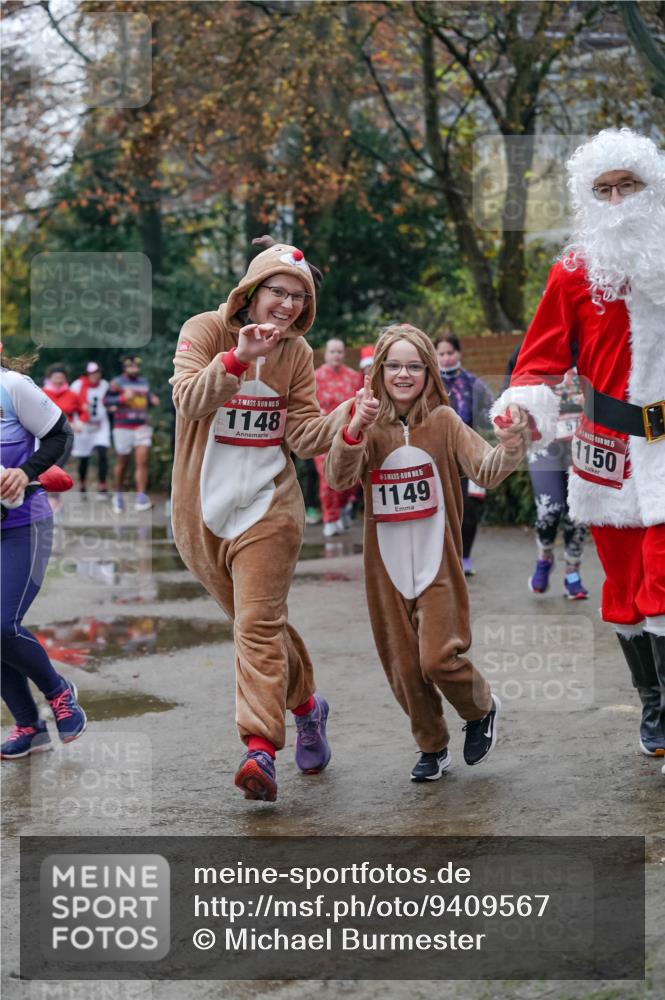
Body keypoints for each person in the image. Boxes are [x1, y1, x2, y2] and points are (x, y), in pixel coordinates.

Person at [491, 128, 665, 766]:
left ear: (653, 188)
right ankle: (651, 699)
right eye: (605, 189)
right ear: (589, 199)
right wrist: (518, 412)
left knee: (662, 575)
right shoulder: (571, 273)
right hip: (609, 451)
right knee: (623, 588)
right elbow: (536, 363)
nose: (618, 198)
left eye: (629, 185)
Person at [170, 236, 351, 802]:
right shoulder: (204, 331)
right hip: (201, 512)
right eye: (281, 291)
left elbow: (300, 431)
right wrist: (238, 357)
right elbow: (187, 400)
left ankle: (259, 750)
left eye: (300, 296)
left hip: (270, 507)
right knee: (258, 626)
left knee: (255, 627)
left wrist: (348, 420)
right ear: (251, 292)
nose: (291, 304)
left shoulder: (297, 354)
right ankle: (306, 706)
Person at [325, 324, 529, 781]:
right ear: (379, 371)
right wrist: (354, 428)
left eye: (414, 366)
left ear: (428, 372)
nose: (403, 374)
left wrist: (512, 445)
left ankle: (480, 709)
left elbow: (487, 469)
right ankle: (432, 747)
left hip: (438, 561)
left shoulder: (444, 422)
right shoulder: (365, 424)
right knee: (403, 667)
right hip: (385, 569)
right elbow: (338, 478)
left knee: (437, 658)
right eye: (394, 365)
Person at [1, 348, 87, 759]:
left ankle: (59, 692)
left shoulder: (13, 388)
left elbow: (60, 436)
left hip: (23, 526)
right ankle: (29, 727)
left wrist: (25, 472)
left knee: (2, 625)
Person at [435, 334, 495, 576]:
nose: (446, 358)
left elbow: (489, 416)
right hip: (436, 455)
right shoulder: (429, 381)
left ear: (458, 353)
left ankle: (465, 556)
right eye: (441, 354)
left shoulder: (473, 383)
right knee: (438, 510)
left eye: (450, 353)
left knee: (468, 510)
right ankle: (441, 560)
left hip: (467, 455)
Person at [314, 338, 359, 537]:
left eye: (340, 352)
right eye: (332, 351)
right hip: (324, 435)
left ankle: (342, 507)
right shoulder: (315, 377)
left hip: (348, 434)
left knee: (350, 478)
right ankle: (330, 519)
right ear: (326, 354)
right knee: (327, 476)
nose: (336, 355)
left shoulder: (353, 377)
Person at [105, 356, 159, 513]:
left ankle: (141, 498)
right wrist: (122, 398)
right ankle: (118, 495)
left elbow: (145, 400)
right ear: (125, 368)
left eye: (136, 367)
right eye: (131, 367)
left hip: (141, 426)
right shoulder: (117, 382)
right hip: (123, 427)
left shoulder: (143, 382)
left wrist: (152, 400)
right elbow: (106, 401)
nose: (134, 369)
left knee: (142, 461)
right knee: (123, 462)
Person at [71, 362, 111, 497]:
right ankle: (82, 483)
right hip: (83, 426)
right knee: (84, 458)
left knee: (102, 453)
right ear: (88, 374)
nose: (95, 375)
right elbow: (71, 404)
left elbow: (110, 400)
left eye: (98, 372)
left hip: (100, 424)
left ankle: (102, 485)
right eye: (93, 373)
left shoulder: (105, 385)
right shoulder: (77, 385)